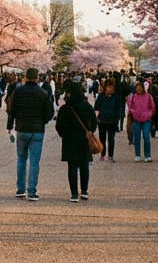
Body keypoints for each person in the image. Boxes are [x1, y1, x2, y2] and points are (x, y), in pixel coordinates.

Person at [6, 67, 54, 201]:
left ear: (26, 77)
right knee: (34, 161)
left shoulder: (18, 92)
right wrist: (42, 120)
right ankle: (32, 191)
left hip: (21, 128)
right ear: (37, 77)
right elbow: (50, 112)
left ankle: (21, 188)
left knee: (21, 159)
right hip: (37, 129)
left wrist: (11, 124)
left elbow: (12, 110)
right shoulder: (43, 93)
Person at [55, 80, 98, 202]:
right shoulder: (87, 107)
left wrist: (64, 134)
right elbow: (94, 123)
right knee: (84, 165)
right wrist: (89, 131)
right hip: (84, 139)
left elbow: (58, 126)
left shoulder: (65, 108)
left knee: (72, 166)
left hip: (69, 139)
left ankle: (74, 194)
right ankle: (84, 191)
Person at [93, 79, 123, 163]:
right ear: (105, 87)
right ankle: (102, 154)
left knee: (111, 139)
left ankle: (111, 155)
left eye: (112, 87)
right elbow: (96, 106)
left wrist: (117, 117)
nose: (110, 89)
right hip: (102, 121)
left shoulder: (116, 97)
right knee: (102, 139)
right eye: (109, 87)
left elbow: (119, 108)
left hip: (112, 122)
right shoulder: (101, 96)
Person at [127, 81, 156, 162]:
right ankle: (137, 155)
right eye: (137, 87)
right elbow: (130, 106)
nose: (139, 89)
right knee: (136, 138)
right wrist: (133, 112)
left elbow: (152, 107)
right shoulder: (133, 97)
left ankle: (147, 155)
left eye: (140, 87)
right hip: (136, 119)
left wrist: (149, 114)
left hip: (147, 119)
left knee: (146, 137)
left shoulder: (149, 97)